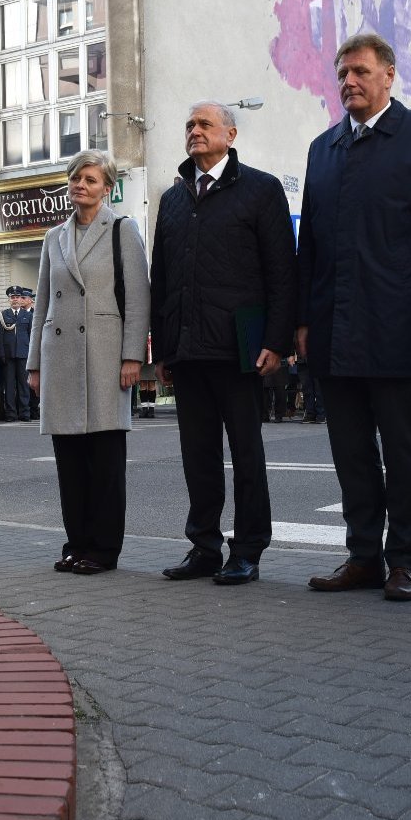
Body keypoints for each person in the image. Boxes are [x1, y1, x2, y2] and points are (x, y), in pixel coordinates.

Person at [297, 32, 411, 603]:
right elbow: (310, 245)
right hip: (335, 327)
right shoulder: (324, 148)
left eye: (361, 72)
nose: (350, 82)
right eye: (342, 73)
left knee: (401, 449)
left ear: (389, 75)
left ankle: (405, 561)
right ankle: (362, 554)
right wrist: (303, 320)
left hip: (397, 322)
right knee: (349, 450)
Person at [150, 101, 296, 587]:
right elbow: (161, 279)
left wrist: (276, 340)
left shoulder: (260, 189)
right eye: (189, 124)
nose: (193, 131)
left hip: (240, 350)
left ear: (229, 135)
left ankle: (248, 549)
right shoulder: (173, 199)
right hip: (187, 351)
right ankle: (204, 546)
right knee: (198, 455)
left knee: (247, 453)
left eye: (204, 124)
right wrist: (163, 347)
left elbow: (281, 271)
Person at [27, 150, 148, 575]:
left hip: (103, 354)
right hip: (60, 357)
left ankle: (103, 550)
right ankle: (76, 542)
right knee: (70, 464)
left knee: (105, 463)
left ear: (106, 187)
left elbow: (137, 299)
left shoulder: (122, 230)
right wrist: (34, 364)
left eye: (91, 180)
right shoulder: (53, 237)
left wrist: (132, 356)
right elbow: (42, 302)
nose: (81, 185)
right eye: (76, 178)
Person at [0, 286, 35, 421]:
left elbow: (32, 335)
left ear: (21, 299)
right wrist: (1, 353)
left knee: (24, 386)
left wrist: (32, 354)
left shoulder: (28, 315)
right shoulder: (3, 315)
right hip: (8, 356)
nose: (15, 300)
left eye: (17, 297)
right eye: (12, 297)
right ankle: (10, 413)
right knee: (9, 386)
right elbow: (0, 336)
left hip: (23, 355)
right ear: (9, 299)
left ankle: (24, 413)